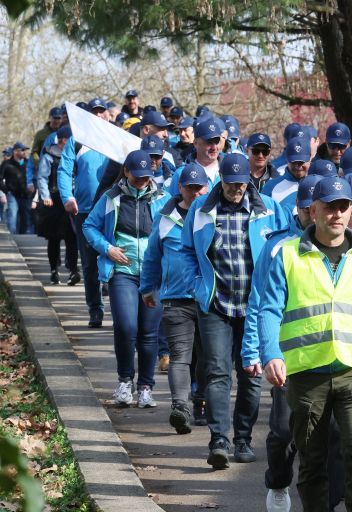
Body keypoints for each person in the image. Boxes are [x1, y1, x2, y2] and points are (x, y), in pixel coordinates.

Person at [253, 175, 352, 512]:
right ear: (313, 210)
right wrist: (271, 353)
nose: (336, 214)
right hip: (305, 372)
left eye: (342, 207)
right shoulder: (288, 253)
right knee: (312, 462)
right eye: (329, 207)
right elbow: (268, 308)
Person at [242, 174, 347, 512]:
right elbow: (260, 303)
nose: (309, 215)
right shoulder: (278, 247)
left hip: (334, 359)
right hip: (289, 357)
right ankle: (278, 482)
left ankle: (327, 501)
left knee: (332, 435)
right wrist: (256, 349)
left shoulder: (348, 247)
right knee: (284, 432)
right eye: (304, 208)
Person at [180, 153, 289, 469]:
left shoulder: (269, 210)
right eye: (231, 183)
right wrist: (197, 286)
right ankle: (219, 441)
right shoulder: (201, 212)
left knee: (251, 374)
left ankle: (243, 438)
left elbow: (286, 246)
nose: (236, 189)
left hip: (256, 305)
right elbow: (186, 251)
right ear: (222, 181)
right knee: (216, 371)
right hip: (215, 304)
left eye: (241, 184)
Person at [83, 149, 168, 408]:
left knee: (149, 333)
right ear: (126, 172)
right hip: (123, 273)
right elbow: (89, 226)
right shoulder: (111, 198)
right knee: (126, 327)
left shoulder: (163, 199)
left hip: (152, 276)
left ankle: (145, 387)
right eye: (137, 176)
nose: (143, 181)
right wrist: (107, 248)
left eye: (147, 176)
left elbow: (174, 231)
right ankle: (124, 381)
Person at [140, 163, 209, 433]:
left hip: (207, 299)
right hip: (176, 299)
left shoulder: (211, 215)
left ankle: (201, 401)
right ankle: (180, 406)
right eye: (189, 187)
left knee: (206, 356)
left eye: (199, 187)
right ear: (180, 187)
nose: (194, 192)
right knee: (181, 356)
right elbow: (152, 256)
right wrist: (148, 287)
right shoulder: (165, 217)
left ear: (207, 187)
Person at [58, 98, 112, 328]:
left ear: (108, 115)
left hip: (114, 212)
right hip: (86, 211)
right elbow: (64, 169)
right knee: (89, 263)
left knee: (116, 259)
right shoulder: (77, 141)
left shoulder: (116, 139)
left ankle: (122, 310)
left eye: (103, 112)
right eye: (95, 113)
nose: (99, 116)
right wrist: (67, 197)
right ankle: (95, 309)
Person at [35, 126, 80, 286]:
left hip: (70, 200)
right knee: (53, 238)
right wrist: (45, 197)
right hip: (53, 200)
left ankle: (73, 270)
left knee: (72, 236)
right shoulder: (49, 154)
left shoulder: (75, 154)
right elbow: (42, 177)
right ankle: (54, 270)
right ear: (63, 140)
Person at [262, 136, 311, 216]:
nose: (298, 167)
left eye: (301, 162)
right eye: (294, 162)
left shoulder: (318, 185)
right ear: (287, 159)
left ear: (309, 158)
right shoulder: (270, 187)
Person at [0, 142, 32, 234]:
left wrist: (32, 188)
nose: (24, 152)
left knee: (25, 217)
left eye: (25, 150)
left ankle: (23, 237)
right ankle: (12, 237)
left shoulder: (28, 163)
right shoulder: (6, 164)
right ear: (15, 152)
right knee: (12, 215)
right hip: (12, 194)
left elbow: (34, 177)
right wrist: (6, 190)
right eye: (22, 150)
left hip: (26, 194)